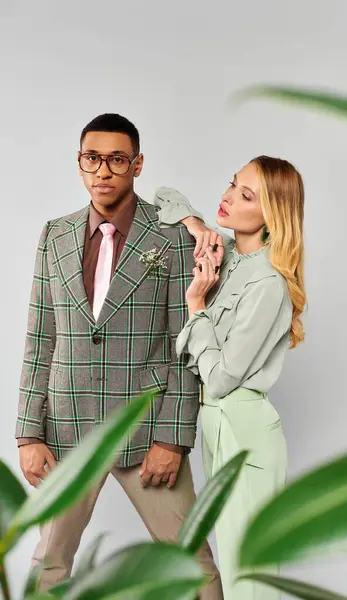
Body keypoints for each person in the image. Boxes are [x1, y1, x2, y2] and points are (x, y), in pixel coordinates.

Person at [16, 113, 223, 599]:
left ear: (137, 164)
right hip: (69, 433)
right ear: (80, 163)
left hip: (146, 430)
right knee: (47, 563)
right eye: (92, 158)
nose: (103, 170)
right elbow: (39, 336)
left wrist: (172, 440)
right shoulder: (55, 235)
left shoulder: (172, 237)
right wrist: (28, 430)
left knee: (191, 561)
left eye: (116, 159)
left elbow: (185, 343)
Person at [154, 155, 306, 599]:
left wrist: (197, 306)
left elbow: (221, 378)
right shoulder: (227, 255)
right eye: (231, 184)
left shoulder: (267, 283)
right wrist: (197, 225)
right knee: (235, 559)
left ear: (271, 214)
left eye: (246, 195)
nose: (228, 197)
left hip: (245, 427)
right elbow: (165, 196)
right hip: (218, 424)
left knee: (250, 576)